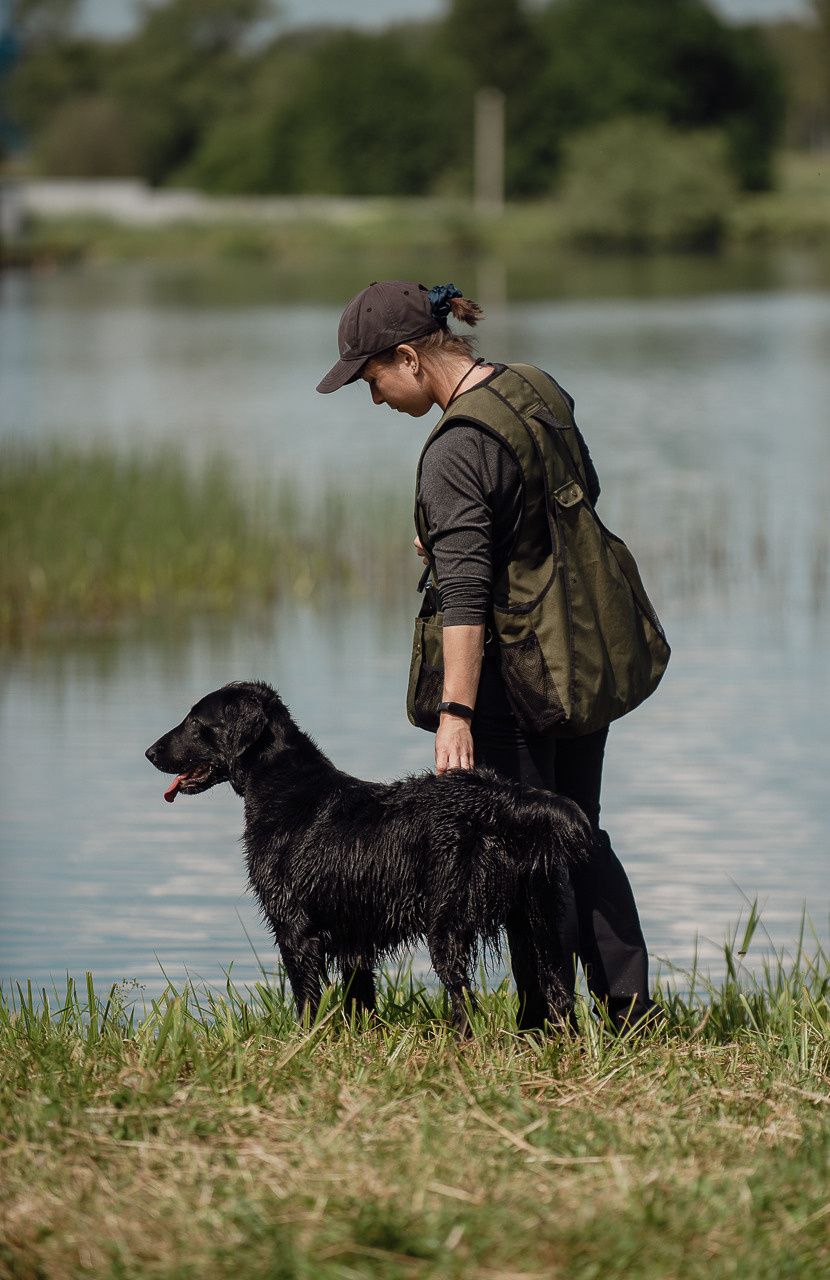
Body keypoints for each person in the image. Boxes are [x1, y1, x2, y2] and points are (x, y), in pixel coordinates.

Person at [317, 279, 664, 1033]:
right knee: (577, 827)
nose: (373, 398)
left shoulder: (454, 450)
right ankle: (631, 1013)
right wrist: (460, 532)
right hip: (584, 647)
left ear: (408, 356)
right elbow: (569, 495)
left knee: (522, 846)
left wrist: (456, 712)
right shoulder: (536, 387)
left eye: (372, 379)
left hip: (522, 673)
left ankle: (548, 1021)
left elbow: (467, 598)